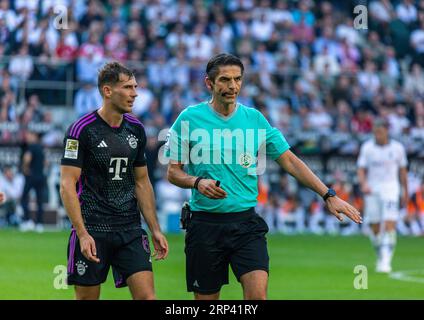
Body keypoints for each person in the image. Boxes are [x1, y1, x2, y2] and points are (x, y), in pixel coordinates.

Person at [165, 53, 362, 300]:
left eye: (237, 79)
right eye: (225, 80)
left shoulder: (255, 119)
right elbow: (173, 172)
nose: (232, 86)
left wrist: (328, 194)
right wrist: (196, 182)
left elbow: (290, 160)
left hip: (246, 225)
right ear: (209, 83)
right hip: (205, 225)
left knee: (257, 298)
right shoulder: (189, 119)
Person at [60, 62, 168, 300]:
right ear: (108, 91)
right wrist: (82, 233)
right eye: (128, 87)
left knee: (148, 298)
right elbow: (67, 184)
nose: (135, 93)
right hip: (93, 228)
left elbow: (142, 182)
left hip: (129, 229)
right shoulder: (81, 130)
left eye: (135, 87)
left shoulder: (136, 129)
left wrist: (155, 229)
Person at [357, 118, 408, 273]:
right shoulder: (367, 148)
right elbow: (361, 169)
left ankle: (386, 261)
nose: (377, 135)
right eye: (375, 132)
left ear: (386, 131)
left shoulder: (398, 148)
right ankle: (380, 256)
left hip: (391, 189)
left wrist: (405, 191)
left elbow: (403, 171)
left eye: (380, 132)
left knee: (390, 223)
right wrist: (363, 184)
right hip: (372, 189)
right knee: (375, 227)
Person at [20, 130, 47, 233]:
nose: (27, 138)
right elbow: (46, 162)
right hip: (40, 176)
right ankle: (39, 224)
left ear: (33, 136)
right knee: (40, 201)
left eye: (29, 136)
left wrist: (25, 168)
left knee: (24, 198)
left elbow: (27, 159)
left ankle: (27, 221)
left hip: (31, 177)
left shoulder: (31, 147)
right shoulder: (41, 148)